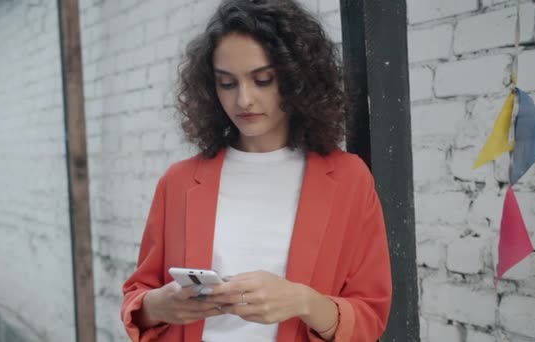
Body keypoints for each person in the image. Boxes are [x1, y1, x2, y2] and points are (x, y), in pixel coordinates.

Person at [120, 0, 392, 341]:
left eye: (262, 80)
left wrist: (303, 301)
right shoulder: (178, 182)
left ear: (296, 79)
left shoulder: (348, 179)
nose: (244, 100)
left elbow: (370, 315)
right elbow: (138, 296)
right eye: (227, 84)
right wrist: (158, 305)